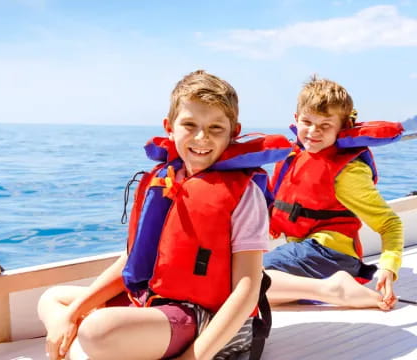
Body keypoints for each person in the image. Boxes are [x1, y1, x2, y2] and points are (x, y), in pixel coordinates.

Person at [38, 70, 290, 360]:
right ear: (169, 127)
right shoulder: (163, 181)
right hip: (155, 304)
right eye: (190, 124)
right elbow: (132, 261)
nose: (201, 137)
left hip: (208, 317)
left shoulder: (244, 194)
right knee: (54, 299)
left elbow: (247, 289)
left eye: (216, 128)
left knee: (97, 330)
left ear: (234, 131)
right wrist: (71, 315)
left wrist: (193, 358)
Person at [264, 75, 404, 311]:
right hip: (306, 252)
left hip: (330, 254)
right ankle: (326, 288)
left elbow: (390, 223)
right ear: (296, 119)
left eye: (325, 125)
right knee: (242, 286)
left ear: (342, 128)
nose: (313, 132)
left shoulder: (347, 173)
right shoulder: (294, 156)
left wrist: (388, 267)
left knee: (241, 284)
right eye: (307, 122)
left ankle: (334, 289)